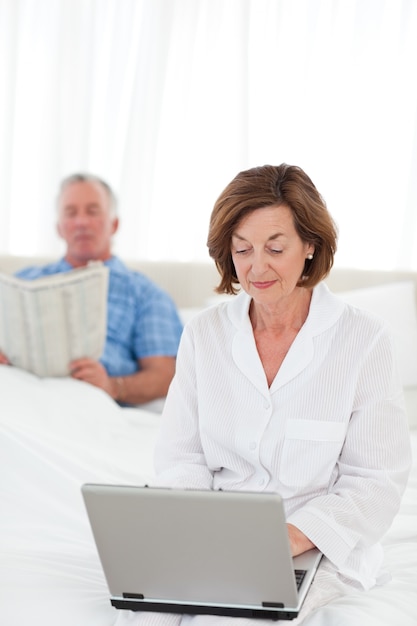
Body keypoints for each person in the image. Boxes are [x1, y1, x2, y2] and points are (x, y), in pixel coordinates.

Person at [116, 164, 412, 625]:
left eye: (275, 248)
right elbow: (181, 458)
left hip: (311, 544)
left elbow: (375, 482)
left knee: (231, 617)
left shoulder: (365, 340)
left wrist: (287, 538)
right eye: (242, 249)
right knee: (142, 615)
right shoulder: (204, 334)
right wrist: (188, 534)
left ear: (310, 245)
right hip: (213, 538)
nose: (257, 267)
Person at [0, 173, 183, 408]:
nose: (81, 222)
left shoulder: (145, 294)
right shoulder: (22, 283)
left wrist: (112, 385)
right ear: (59, 228)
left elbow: (164, 375)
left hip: (90, 405)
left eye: (93, 211)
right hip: (18, 396)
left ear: (114, 224)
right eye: (71, 212)